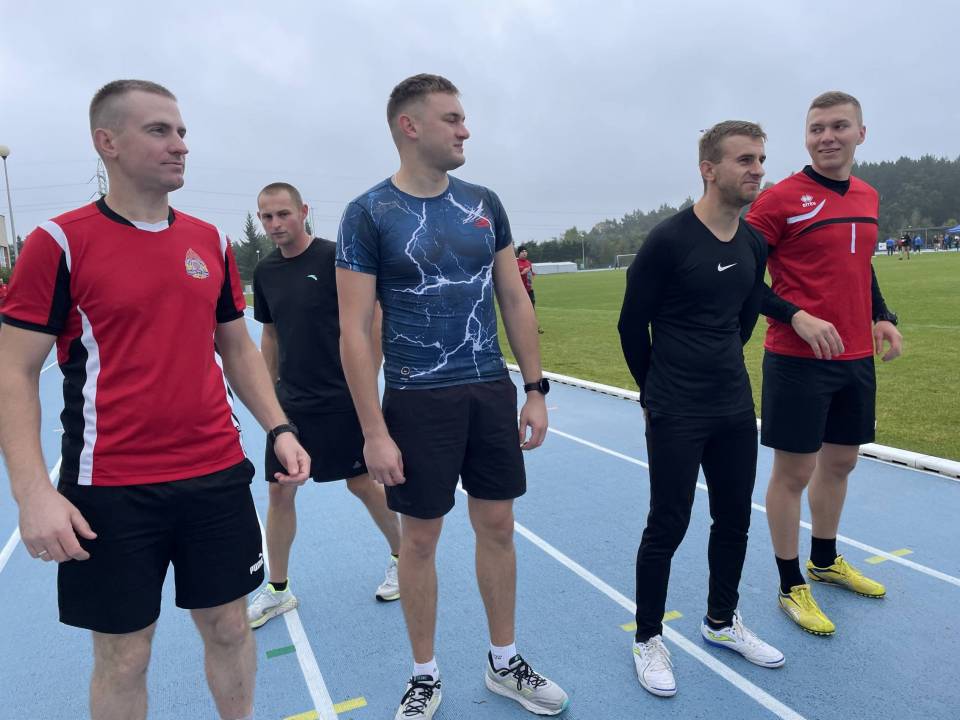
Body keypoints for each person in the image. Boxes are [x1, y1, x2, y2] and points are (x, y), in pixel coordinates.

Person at [0, 80, 309, 720]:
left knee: (230, 627)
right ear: (107, 142)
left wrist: (279, 427)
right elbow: (13, 370)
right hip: (111, 487)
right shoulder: (58, 242)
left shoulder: (209, 241)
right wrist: (33, 494)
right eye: (159, 131)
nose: (180, 145)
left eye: (182, 132)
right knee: (125, 656)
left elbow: (236, 347)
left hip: (215, 475)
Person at [336, 73, 568, 720]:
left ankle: (504, 662)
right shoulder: (368, 213)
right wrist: (373, 430)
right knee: (419, 541)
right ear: (410, 126)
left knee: (498, 526)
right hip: (417, 398)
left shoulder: (484, 203)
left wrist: (535, 389)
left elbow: (514, 297)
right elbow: (353, 330)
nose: (466, 130)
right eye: (453, 119)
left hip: (489, 389)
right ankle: (424, 675)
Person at [619, 121, 784, 698]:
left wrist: (720, 366)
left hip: (734, 405)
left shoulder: (753, 242)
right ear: (709, 170)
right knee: (668, 523)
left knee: (735, 518)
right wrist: (654, 392)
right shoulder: (668, 240)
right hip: (676, 407)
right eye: (744, 159)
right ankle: (647, 637)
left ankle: (721, 620)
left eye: (760, 158)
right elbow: (630, 325)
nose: (757, 169)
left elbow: (744, 315)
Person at [746, 91, 902, 636]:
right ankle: (790, 583)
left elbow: (860, 264)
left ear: (861, 133)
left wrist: (881, 315)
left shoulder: (867, 194)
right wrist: (796, 316)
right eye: (817, 129)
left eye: (839, 126)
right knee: (794, 473)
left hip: (855, 357)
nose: (827, 137)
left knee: (841, 464)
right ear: (806, 137)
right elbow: (739, 275)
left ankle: (825, 559)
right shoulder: (780, 200)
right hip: (797, 359)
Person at [246, 182, 403, 629]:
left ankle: (403, 556)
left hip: (341, 398)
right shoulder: (266, 271)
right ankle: (279, 589)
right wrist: (269, 397)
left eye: (283, 214)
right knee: (280, 491)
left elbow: (373, 318)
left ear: (303, 211)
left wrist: (366, 378)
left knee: (362, 483)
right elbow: (270, 334)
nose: (275, 224)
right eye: (266, 217)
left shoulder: (338, 258)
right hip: (291, 405)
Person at [516, 245, 544, 333]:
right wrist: (523, 272)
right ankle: (522, 327)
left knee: (532, 309)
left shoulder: (528, 263)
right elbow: (514, 276)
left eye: (525, 251)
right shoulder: (515, 263)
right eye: (522, 251)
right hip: (520, 291)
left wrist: (532, 275)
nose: (524, 253)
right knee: (521, 310)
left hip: (529, 290)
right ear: (519, 253)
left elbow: (531, 273)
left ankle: (537, 327)